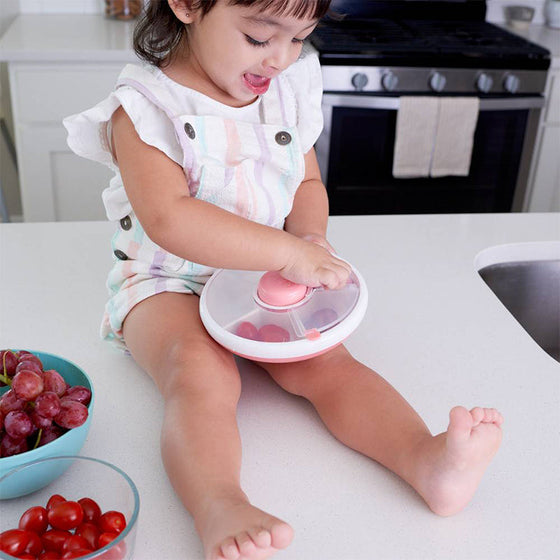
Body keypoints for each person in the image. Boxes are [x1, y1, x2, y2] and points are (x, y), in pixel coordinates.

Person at [64, 1, 504, 559]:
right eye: (258, 36)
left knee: (329, 363)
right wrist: (288, 251)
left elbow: (306, 180)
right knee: (198, 372)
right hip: (166, 281)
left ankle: (425, 458)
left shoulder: (288, 88)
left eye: (299, 38)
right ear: (187, 5)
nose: (279, 58)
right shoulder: (146, 109)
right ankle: (219, 501)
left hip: (265, 277)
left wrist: (311, 239)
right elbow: (170, 218)